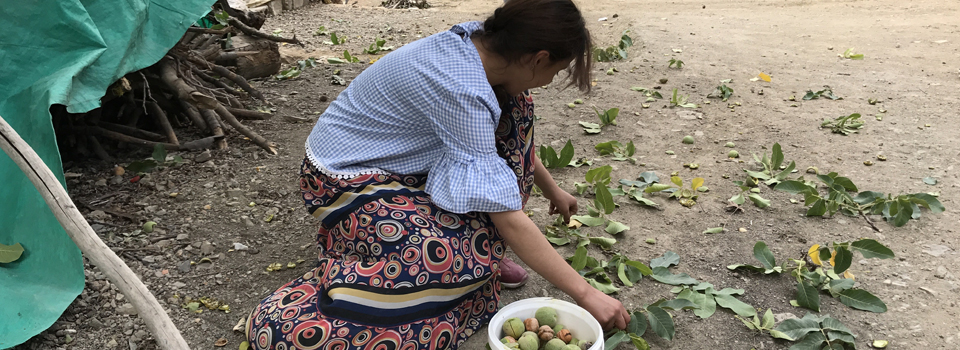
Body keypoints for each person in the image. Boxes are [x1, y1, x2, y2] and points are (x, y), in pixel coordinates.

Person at [246, 0, 630, 349]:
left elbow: (500, 151)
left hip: (404, 162)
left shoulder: (482, 44)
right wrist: (585, 293)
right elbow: (508, 218)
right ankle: (316, 295)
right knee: (440, 258)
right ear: (538, 58)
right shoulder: (462, 88)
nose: (548, 82)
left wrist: (552, 188)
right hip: (340, 178)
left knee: (516, 107)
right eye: (555, 71)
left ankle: (478, 261)